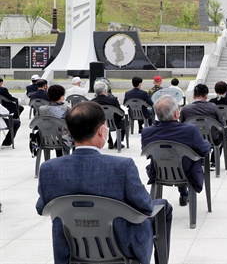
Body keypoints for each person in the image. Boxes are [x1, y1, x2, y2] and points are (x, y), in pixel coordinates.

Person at [36, 101, 173, 264]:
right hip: (120, 248)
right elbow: (146, 206)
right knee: (163, 206)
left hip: (70, 246)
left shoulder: (49, 169)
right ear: (101, 130)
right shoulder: (122, 166)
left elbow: (41, 208)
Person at [142, 95, 211, 207]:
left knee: (173, 158)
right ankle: (184, 194)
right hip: (187, 173)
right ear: (176, 113)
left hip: (159, 172)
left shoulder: (147, 132)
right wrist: (208, 143)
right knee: (184, 159)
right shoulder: (190, 130)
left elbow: (147, 153)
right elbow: (203, 151)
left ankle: (183, 194)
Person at [180, 84, 226, 169]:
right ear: (206, 95)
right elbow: (222, 124)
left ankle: (198, 161)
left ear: (193, 96)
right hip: (212, 138)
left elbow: (181, 125)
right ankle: (213, 161)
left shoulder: (186, 109)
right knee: (222, 135)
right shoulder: (213, 107)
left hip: (192, 139)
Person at [90, 81, 125, 149]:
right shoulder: (113, 100)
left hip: (99, 124)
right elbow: (121, 113)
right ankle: (118, 142)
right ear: (105, 90)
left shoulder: (92, 102)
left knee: (104, 120)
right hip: (115, 123)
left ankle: (110, 142)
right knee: (124, 122)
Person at [38, 85, 73, 154]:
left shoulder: (41, 109)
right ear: (61, 97)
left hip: (45, 139)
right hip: (63, 140)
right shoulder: (66, 109)